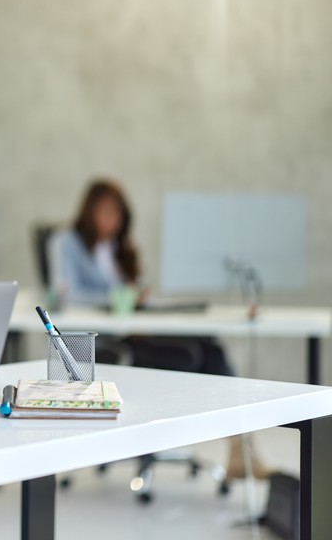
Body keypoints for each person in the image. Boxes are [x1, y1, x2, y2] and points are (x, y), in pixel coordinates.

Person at [48, 179, 267, 479]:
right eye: (106, 212)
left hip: (138, 328)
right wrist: (120, 299)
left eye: (119, 214)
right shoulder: (65, 242)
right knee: (193, 353)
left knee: (209, 344)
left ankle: (242, 447)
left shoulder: (118, 247)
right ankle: (240, 447)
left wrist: (139, 296)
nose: (113, 221)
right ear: (89, 211)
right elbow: (69, 295)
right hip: (105, 338)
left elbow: (134, 289)